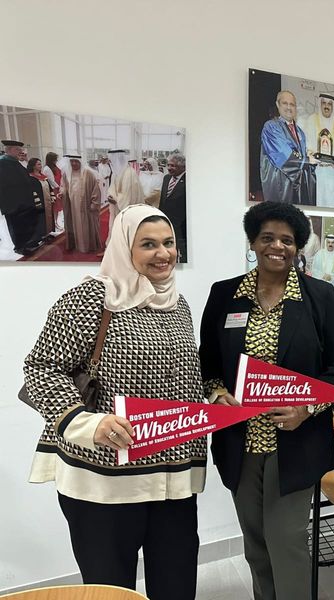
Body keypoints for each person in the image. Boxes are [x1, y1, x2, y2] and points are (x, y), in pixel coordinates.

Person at [23, 204, 206, 600]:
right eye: (148, 244)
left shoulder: (178, 304)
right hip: (102, 484)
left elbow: (184, 377)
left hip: (170, 482)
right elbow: (40, 368)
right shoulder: (92, 297)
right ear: (125, 248)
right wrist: (90, 423)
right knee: (111, 591)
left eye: (169, 243)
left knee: (176, 587)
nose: (164, 254)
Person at [199, 201, 334, 600]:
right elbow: (208, 363)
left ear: (299, 247)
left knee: (287, 542)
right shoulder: (224, 296)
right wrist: (217, 394)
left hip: (297, 442)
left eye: (287, 240)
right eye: (268, 238)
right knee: (256, 544)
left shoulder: (319, 297)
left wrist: (309, 408)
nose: (277, 247)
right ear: (253, 241)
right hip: (240, 442)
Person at [260, 90, 316, 206]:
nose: (289, 107)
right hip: (280, 188)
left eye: (292, 104)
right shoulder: (271, 127)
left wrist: (312, 159)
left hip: (298, 191)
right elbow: (283, 157)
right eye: (285, 103)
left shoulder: (300, 132)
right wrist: (306, 160)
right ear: (278, 105)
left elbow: (301, 158)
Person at [301, 93, 334, 208]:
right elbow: (308, 143)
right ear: (320, 104)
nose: (327, 106)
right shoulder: (312, 120)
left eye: (330, 104)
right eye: (324, 103)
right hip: (317, 171)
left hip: (333, 173)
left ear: (333, 107)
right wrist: (317, 157)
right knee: (317, 203)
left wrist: (331, 160)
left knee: (332, 205)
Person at [0, 139, 42, 255]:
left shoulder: (15, 162)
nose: (20, 151)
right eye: (17, 149)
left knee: (24, 225)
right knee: (16, 226)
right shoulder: (3, 163)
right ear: (9, 150)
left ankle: (27, 243)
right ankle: (19, 247)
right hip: (12, 203)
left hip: (23, 203)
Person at [61, 154, 103, 255]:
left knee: (84, 225)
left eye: (76, 161)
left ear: (80, 162)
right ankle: (75, 244)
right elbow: (64, 187)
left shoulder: (88, 173)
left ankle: (86, 246)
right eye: (72, 161)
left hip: (85, 206)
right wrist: (62, 193)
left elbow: (96, 190)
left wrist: (94, 203)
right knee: (73, 224)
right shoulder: (67, 173)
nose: (74, 163)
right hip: (72, 206)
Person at [106, 150, 144, 247]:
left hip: (125, 211)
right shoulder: (116, 173)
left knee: (125, 234)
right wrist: (111, 195)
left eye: (112, 160)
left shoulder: (129, 174)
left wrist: (115, 200)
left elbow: (129, 196)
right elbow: (112, 188)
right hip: (116, 209)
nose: (110, 163)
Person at [159, 152, 187, 262]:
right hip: (166, 223)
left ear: (183, 166)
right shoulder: (166, 178)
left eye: (173, 166)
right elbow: (163, 200)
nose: (169, 168)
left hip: (181, 226)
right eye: (169, 165)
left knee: (183, 252)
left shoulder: (188, 180)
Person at [27, 157, 53, 242]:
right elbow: (32, 192)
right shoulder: (31, 178)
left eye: (40, 164)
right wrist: (38, 203)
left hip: (48, 202)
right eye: (38, 164)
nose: (40, 166)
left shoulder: (43, 177)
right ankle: (41, 236)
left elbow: (50, 188)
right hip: (39, 204)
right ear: (33, 166)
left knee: (48, 218)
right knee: (41, 219)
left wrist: (52, 197)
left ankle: (47, 233)